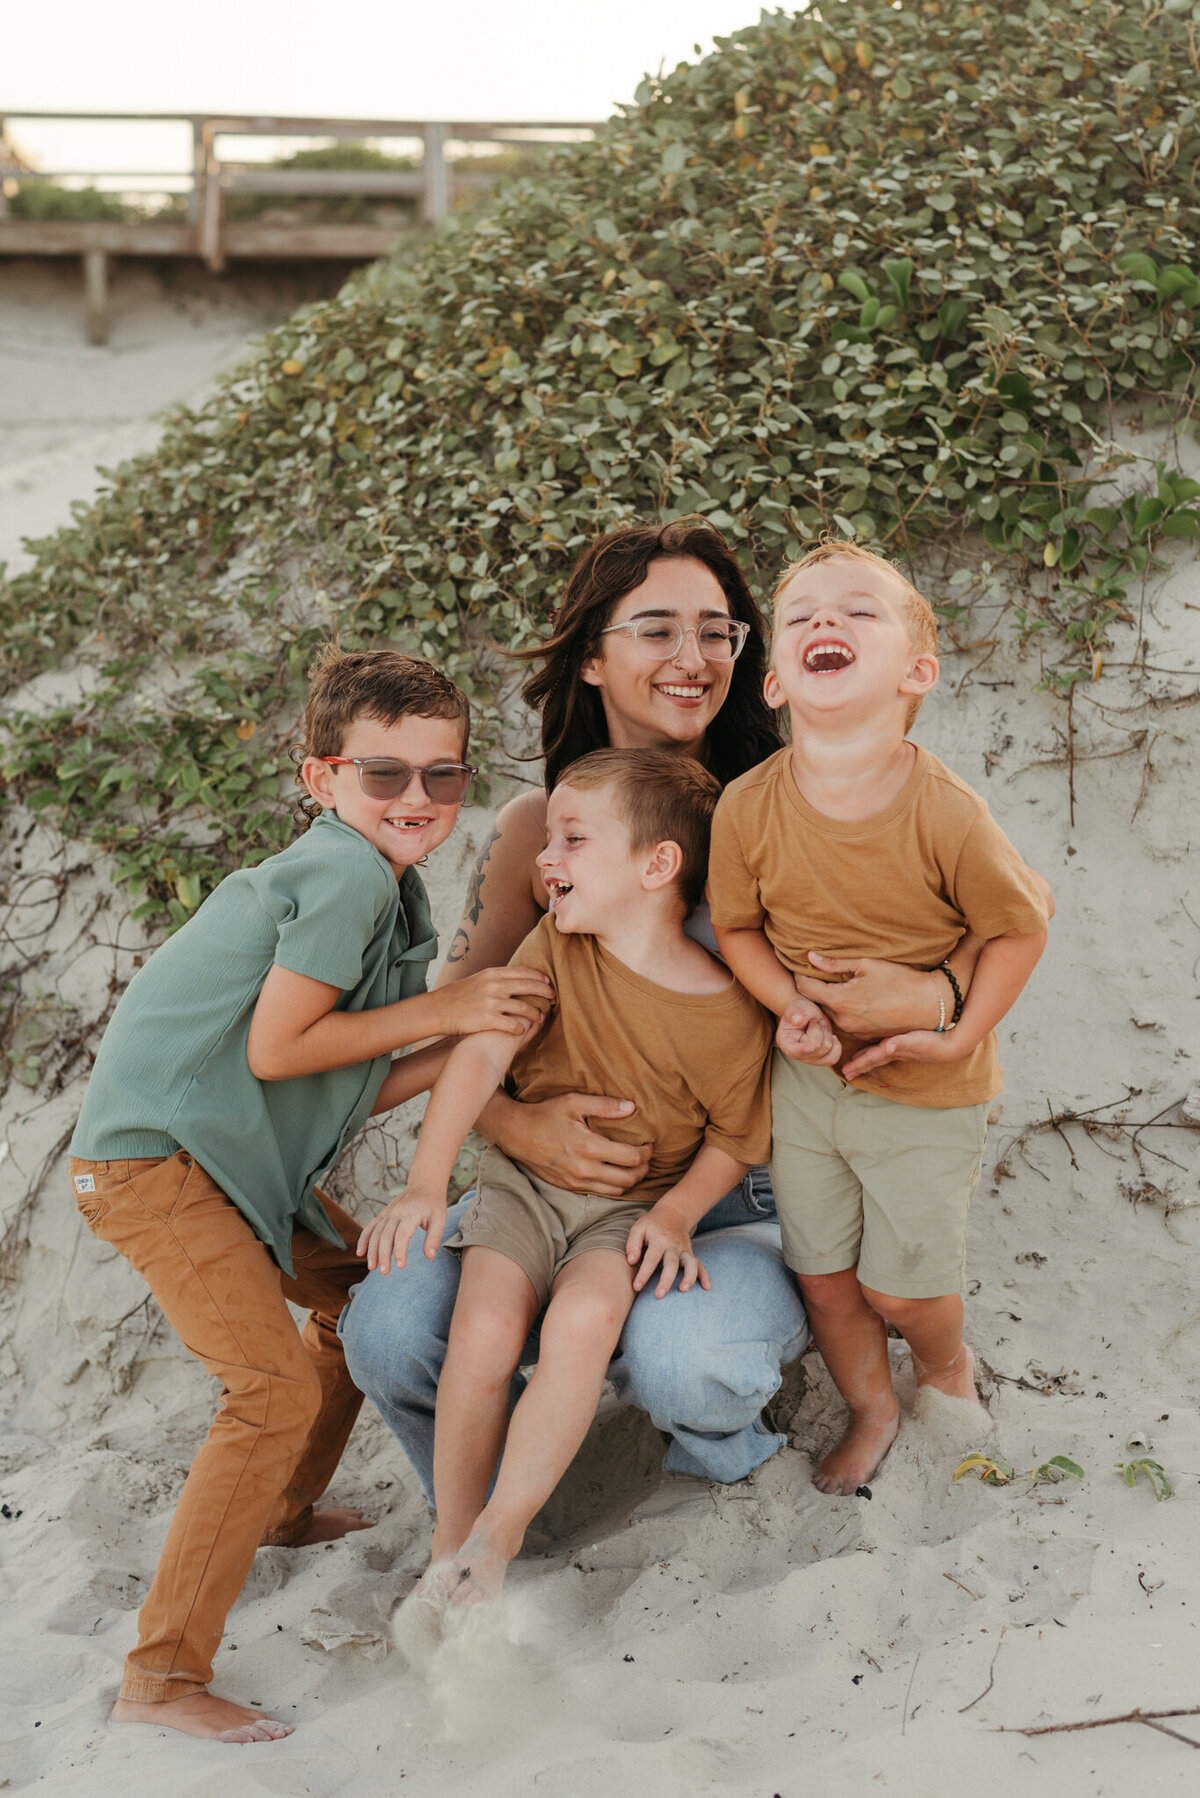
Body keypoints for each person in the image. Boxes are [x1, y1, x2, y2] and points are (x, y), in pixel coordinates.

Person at [341, 519, 988, 1490]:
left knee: (688, 1361)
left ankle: (724, 1452)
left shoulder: (797, 797)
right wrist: (520, 1124)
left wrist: (939, 992)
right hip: (555, 1185)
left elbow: (980, 917)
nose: (693, 658)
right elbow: (465, 1021)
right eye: (655, 631)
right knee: (390, 1330)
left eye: (718, 631)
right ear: (594, 658)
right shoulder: (539, 831)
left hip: (742, 1187)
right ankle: (490, 1502)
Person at [67, 647, 553, 1744]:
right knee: (267, 1389)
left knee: (356, 1298)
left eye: (444, 776)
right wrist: (454, 1009)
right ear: (320, 777)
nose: (417, 800)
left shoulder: (392, 882)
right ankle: (160, 1673)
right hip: (160, 1164)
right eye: (385, 775)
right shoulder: (339, 872)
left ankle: (280, 1509)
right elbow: (286, 1049)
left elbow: (350, 1074)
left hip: (243, 1168)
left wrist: (480, 1026)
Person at [361, 748, 773, 1603]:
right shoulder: (557, 943)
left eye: (573, 840)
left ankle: (499, 1540)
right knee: (481, 1332)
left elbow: (738, 1135)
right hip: (521, 1189)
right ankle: (452, 1546)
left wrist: (681, 1214)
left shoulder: (728, 1012)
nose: (546, 860)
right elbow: (478, 1059)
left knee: (583, 1326)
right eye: (548, 840)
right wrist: (427, 1183)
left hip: (628, 1208)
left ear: (659, 866)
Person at [709, 541, 1052, 1497]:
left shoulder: (947, 812)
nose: (827, 622)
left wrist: (960, 1030)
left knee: (901, 1287)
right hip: (809, 1087)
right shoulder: (746, 809)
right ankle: (873, 1407)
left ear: (917, 672)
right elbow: (737, 927)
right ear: (774, 680)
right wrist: (790, 1006)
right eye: (804, 615)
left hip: (927, 1092)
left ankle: (945, 1370)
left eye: (859, 612)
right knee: (824, 1277)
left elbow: (1018, 928)